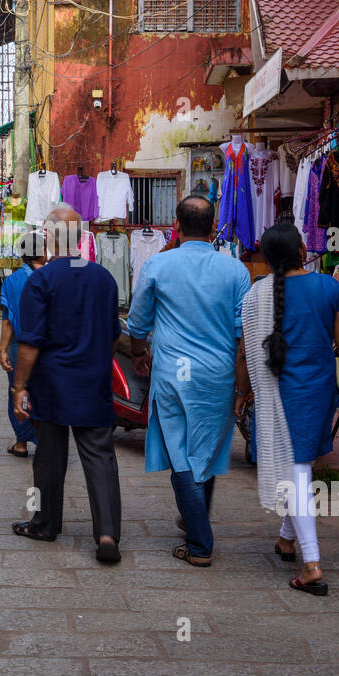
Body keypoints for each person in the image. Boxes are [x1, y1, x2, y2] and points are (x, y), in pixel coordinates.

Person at [236, 220, 339, 596]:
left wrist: (242, 393)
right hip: (318, 390)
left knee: (297, 470)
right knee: (300, 467)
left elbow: (244, 353)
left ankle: (311, 565)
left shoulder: (257, 295)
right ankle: (288, 541)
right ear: (303, 252)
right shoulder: (328, 286)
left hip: (277, 390)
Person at [126, 195, 251, 567]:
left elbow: (137, 322)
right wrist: (243, 385)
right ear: (213, 228)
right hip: (218, 372)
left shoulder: (158, 265)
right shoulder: (235, 271)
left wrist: (137, 353)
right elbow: (242, 330)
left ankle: (200, 543)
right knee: (207, 446)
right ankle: (193, 516)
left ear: (176, 226)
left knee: (181, 450)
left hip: (173, 374)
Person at [10, 205, 123, 564]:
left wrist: (19, 386)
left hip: (51, 382)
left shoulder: (40, 281)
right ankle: (106, 533)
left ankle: (45, 523)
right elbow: (113, 333)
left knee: (49, 457)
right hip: (92, 380)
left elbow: (30, 342)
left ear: (49, 238)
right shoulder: (104, 279)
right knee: (100, 457)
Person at [0, 229, 44, 458]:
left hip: (19, 345)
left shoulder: (11, 281)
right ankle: (44, 439)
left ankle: (21, 442)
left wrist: (2, 349)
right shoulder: (51, 278)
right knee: (43, 391)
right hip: (46, 345)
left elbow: (7, 321)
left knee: (17, 390)